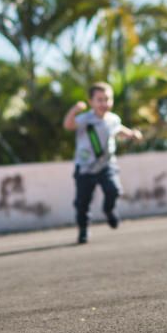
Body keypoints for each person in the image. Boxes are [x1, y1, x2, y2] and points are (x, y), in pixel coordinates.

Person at [62, 81, 143, 244]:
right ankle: (83, 230)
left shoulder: (113, 119)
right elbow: (68, 125)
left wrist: (132, 134)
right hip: (85, 168)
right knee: (82, 203)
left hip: (106, 165)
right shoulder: (85, 119)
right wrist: (74, 111)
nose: (104, 103)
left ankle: (109, 209)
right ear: (91, 102)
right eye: (100, 100)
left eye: (107, 99)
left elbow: (119, 130)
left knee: (113, 190)